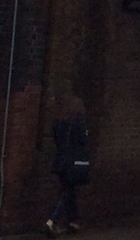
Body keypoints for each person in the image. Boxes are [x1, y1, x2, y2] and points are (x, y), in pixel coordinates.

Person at [44, 97, 89, 236]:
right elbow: (83, 140)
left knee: (70, 190)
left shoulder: (59, 122)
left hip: (61, 161)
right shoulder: (79, 121)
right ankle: (52, 220)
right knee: (67, 192)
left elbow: (57, 141)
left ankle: (73, 221)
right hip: (73, 162)